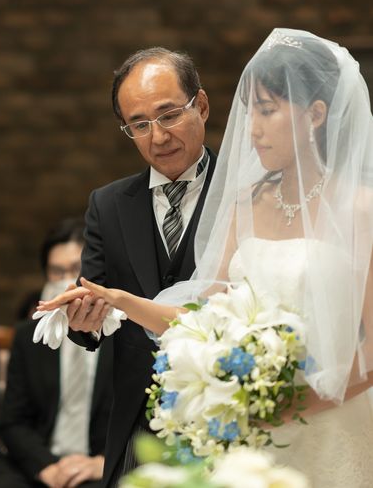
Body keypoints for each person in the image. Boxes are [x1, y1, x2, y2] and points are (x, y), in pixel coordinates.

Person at [40, 29, 373, 487]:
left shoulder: (360, 209)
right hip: (241, 425)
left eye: (267, 110)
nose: (252, 129)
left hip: (329, 424)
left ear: (316, 114)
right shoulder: (245, 205)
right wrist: (120, 300)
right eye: (250, 111)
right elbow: (202, 313)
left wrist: (286, 406)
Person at [40, 47, 216, 486]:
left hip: (223, 408)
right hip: (140, 423)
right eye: (139, 125)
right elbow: (93, 305)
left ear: (201, 105)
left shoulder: (244, 193)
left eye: (169, 115)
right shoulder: (108, 205)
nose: (158, 137)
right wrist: (82, 319)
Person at [0, 219, 114, 488]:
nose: (66, 281)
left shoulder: (123, 331)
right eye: (57, 272)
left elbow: (143, 418)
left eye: (75, 270)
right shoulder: (29, 337)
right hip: (46, 466)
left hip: (102, 467)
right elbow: (13, 421)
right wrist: (46, 468)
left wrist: (104, 462)